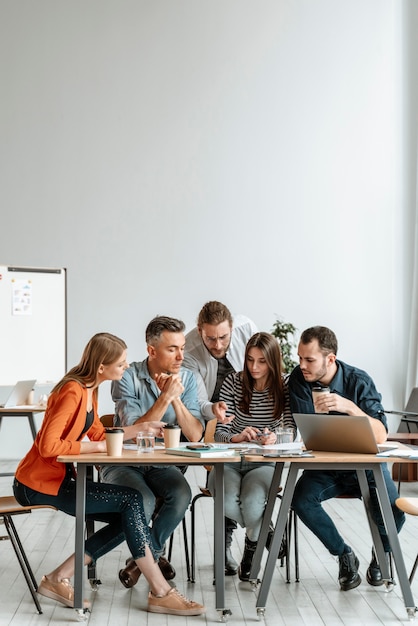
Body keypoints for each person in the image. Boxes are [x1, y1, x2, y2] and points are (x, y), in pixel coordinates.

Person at [12, 332, 205, 616]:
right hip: (37, 484)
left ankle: (59, 577)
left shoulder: (89, 390)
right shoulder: (72, 391)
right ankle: (161, 590)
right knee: (131, 502)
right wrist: (99, 446)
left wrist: (137, 429)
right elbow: (48, 446)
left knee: (131, 510)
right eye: (122, 363)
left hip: (58, 481)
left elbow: (99, 432)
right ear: (102, 366)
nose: (127, 367)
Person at [288, 325, 405, 591]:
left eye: (309, 359)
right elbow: (308, 431)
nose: (302, 365)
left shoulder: (358, 381)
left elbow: (381, 435)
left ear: (330, 359)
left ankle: (380, 554)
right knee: (301, 501)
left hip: (365, 466)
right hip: (325, 467)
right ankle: (344, 555)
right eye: (299, 358)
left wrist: (349, 407)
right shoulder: (299, 379)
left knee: (394, 512)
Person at [101, 316, 204, 588]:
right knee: (142, 499)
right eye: (173, 349)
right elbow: (131, 429)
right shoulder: (127, 375)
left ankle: (143, 560)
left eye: (182, 347)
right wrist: (164, 397)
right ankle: (154, 561)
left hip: (161, 463)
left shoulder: (188, 379)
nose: (181, 355)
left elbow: (194, 434)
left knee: (181, 494)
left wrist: (176, 397)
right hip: (123, 462)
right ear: (152, 350)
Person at [207, 332, 294, 581]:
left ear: (273, 361)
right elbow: (219, 433)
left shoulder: (285, 385)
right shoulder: (233, 382)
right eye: (250, 360)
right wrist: (237, 437)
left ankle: (250, 554)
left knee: (254, 502)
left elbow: (291, 431)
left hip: (264, 462)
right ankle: (266, 531)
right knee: (224, 499)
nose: (254, 367)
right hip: (230, 461)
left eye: (262, 361)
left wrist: (275, 438)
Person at [183, 301, 258, 575]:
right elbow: (198, 400)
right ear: (200, 331)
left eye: (223, 337)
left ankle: (258, 536)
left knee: (248, 480)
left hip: (250, 413)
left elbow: (261, 369)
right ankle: (226, 548)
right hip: (214, 420)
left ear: (232, 329)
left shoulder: (247, 328)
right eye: (210, 339)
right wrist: (213, 411)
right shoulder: (189, 348)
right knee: (223, 478)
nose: (217, 345)